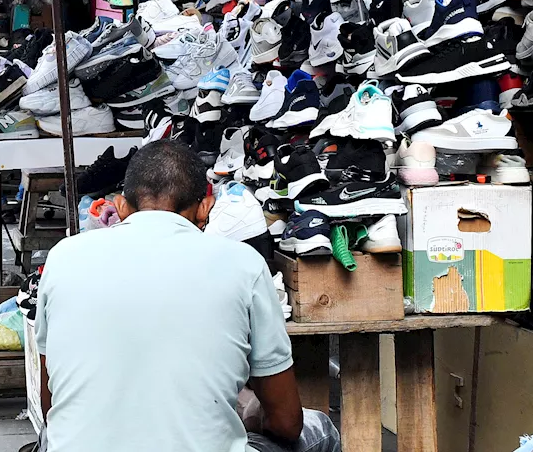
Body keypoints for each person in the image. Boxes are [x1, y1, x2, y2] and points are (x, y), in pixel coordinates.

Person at [35, 140, 342, 452]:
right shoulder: (244, 264)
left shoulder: (63, 258)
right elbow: (287, 423)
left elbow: (52, 407)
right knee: (321, 431)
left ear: (120, 207)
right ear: (205, 208)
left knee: (53, 435)